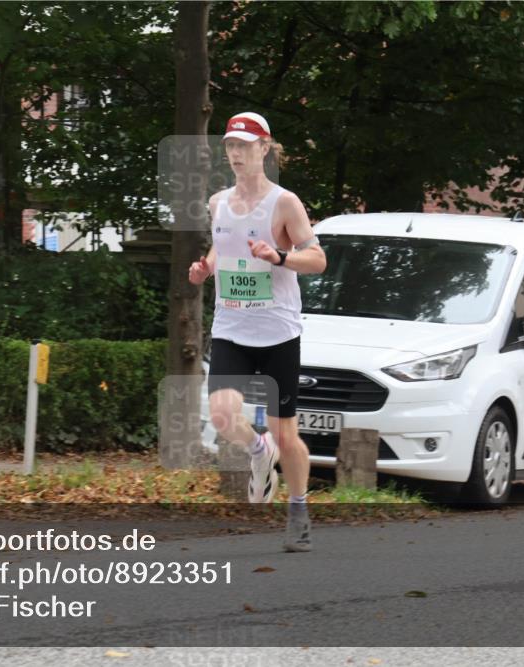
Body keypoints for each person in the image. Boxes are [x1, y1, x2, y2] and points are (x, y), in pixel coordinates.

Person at [188, 111, 327, 552]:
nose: (236, 153)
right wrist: (206, 267)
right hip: (232, 325)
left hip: (278, 331)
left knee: (288, 435)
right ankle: (256, 450)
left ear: (265, 149)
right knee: (224, 416)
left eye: (245, 146)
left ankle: (299, 507)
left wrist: (279, 258)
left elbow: (317, 258)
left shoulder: (285, 203)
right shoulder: (218, 203)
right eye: (230, 146)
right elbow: (222, 244)